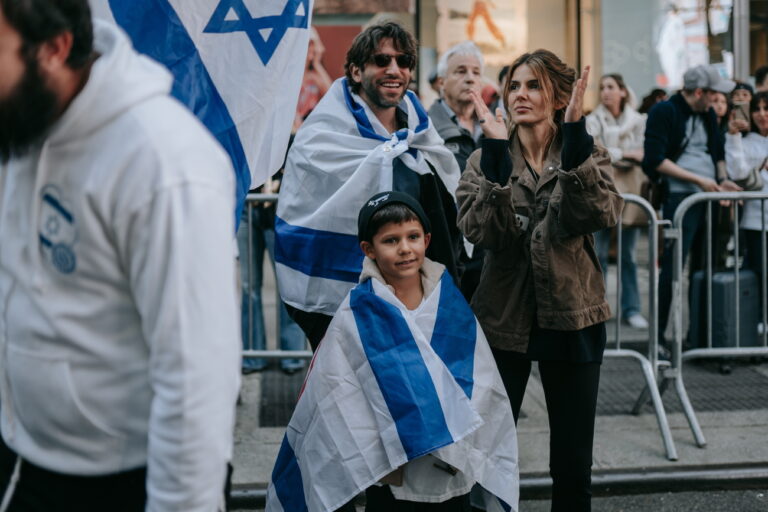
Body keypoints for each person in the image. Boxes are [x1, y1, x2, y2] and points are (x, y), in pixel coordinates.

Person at [0, 1, 240, 510]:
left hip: (127, 479)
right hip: (28, 455)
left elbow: (197, 382)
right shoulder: (22, 122)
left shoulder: (166, 165)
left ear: (53, 49)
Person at [267, 192, 519, 512]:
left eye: (413, 237)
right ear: (368, 249)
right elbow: (336, 392)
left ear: (427, 240)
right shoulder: (356, 314)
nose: (404, 248)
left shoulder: (451, 305)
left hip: (452, 467)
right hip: (390, 469)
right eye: (390, 240)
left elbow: (479, 381)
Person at [457, 49, 624, 511]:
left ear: (558, 97)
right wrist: (493, 159)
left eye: (533, 85)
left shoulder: (585, 152)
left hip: (574, 314)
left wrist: (574, 147)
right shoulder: (484, 157)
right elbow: (481, 232)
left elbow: (600, 213)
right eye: (513, 85)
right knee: (487, 455)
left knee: (573, 464)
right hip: (502, 317)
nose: (520, 95)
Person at [275, 22, 462, 350]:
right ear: (356, 71)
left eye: (403, 62)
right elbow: (302, 214)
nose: (395, 70)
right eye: (382, 60)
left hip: (414, 299)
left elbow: (444, 216)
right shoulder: (323, 135)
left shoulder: (419, 132)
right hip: (340, 303)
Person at [642, 64, 742, 351]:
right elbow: (655, 159)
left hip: (708, 195)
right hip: (680, 198)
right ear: (700, 92)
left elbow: (717, 151)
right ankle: (659, 338)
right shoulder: (665, 112)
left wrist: (722, 180)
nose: (716, 101)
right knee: (673, 269)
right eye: (713, 95)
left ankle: (698, 336)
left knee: (705, 267)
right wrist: (700, 180)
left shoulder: (707, 113)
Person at [586, 73, 650, 329]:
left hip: (630, 194)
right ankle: (597, 307)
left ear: (623, 91)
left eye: (611, 87)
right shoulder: (592, 120)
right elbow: (594, 152)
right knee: (598, 254)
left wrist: (613, 153)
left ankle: (631, 309)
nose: (606, 92)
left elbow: (643, 152)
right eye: (602, 87)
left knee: (629, 256)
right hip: (601, 191)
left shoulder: (638, 120)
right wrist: (626, 154)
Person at [428, 41, 486, 301]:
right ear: (442, 82)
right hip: (446, 250)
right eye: (460, 71)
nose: (470, 78)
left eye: (475, 72)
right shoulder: (426, 129)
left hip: (488, 253)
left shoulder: (494, 127)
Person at [238, 175, 306, 375]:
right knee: (248, 285)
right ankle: (253, 357)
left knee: (286, 284)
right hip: (247, 205)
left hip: (281, 206)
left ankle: (292, 355)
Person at [725, 91, 768, 325]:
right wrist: (732, 135)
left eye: (766, 108)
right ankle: (759, 327)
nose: (762, 114)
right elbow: (738, 172)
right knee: (760, 275)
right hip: (755, 221)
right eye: (757, 109)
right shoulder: (746, 141)